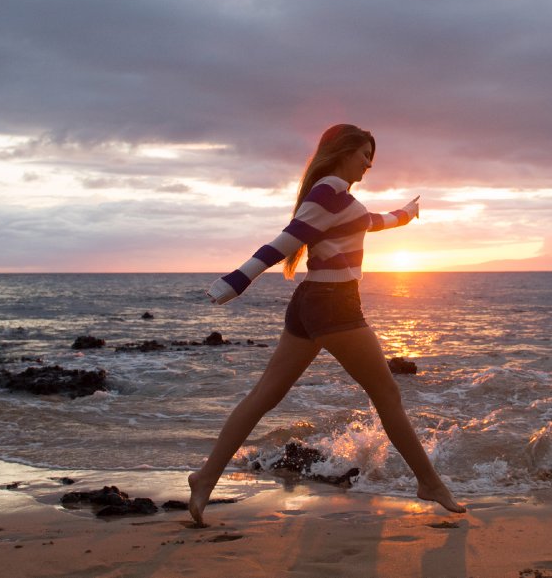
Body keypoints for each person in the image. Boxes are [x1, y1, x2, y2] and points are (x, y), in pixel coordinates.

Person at [188, 123, 465, 527]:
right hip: (333, 305)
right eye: (364, 154)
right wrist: (238, 280)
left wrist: (407, 213)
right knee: (386, 392)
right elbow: (287, 240)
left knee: (265, 395)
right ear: (343, 151)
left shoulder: (340, 198)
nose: (369, 163)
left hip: (311, 304)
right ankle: (430, 483)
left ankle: (206, 477)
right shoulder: (328, 191)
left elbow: (372, 221)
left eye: (372, 156)